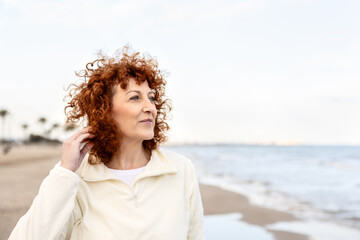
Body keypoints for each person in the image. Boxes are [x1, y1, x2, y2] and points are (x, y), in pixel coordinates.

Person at [8, 47, 205, 240]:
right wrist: (65, 172)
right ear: (105, 111)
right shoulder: (76, 177)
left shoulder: (181, 170)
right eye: (135, 97)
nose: (150, 108)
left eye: (151, 98)